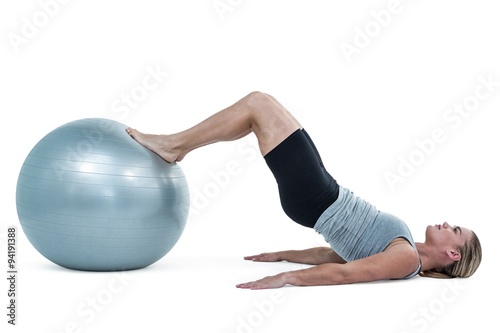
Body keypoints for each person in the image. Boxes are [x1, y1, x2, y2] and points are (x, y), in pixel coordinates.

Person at [126, 91, 482, 290]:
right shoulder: (403, 250)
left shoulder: (406, 259)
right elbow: (336, 257)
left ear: (452, 254)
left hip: (317, 197)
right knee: (259, 110)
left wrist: (287, 278)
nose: (448, 224)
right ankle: (178, 146)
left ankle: (175, 146)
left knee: (258, 105)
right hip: (322, 191)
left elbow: (347, 275)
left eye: (455, 231)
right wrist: (283, 254)